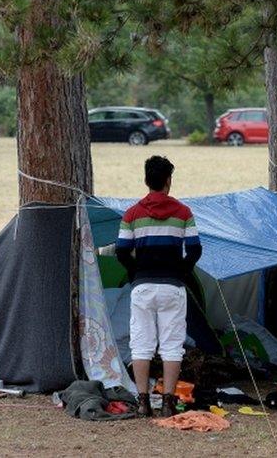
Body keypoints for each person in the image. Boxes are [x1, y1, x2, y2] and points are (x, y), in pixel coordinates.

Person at [115, 156, 202, 418]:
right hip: (172, 287)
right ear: (168, 180)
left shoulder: (131, 214)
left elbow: (121, 251)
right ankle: (167, 403)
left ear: (146, 180)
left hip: (142, 286)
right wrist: (181, 272)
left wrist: (135, 272)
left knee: (141, 345)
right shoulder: (184, 213)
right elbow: (196, 250)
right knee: (172, 346)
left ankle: (142, 402)